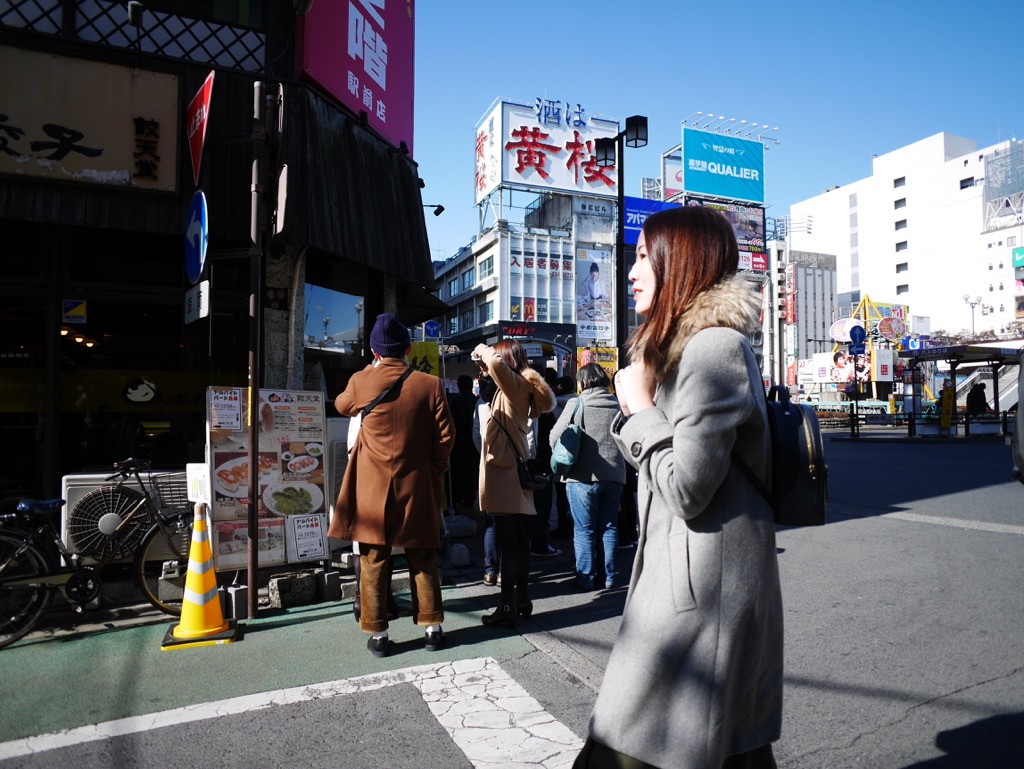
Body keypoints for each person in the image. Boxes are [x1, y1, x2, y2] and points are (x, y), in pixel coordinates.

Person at [575, 206, 783, 768]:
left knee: (638, 745)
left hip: (698, 600)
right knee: (720, 744)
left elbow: (687, 487)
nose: (632, 272)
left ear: (681, 264)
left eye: (644, 256)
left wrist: (639, 406)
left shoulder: (714, 350)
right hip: (692, 589)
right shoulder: (680, 354)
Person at [327, 314, 455, 659]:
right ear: (409, 348)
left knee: (373, 559)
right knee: (422, 555)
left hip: (371, 486)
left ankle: (379, 634)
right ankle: (432, 628)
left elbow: (341, 406)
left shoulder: (361, 380)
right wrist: (434, 469)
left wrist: (369, 372)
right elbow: (446, 436)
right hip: (417, 482)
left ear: (373, 350)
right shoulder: (429, 384)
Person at [474, 339, 556, 626]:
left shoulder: (515, 386)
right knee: (519, 543)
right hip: (515, 474)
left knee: (510, 545)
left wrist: (483, 349)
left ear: (506, 358)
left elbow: (495, 364)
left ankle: (507, 605)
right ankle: (522, 599)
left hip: (505, 473)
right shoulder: (522, 388)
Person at [549, 363, 625, 590]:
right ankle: (609, 578)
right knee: (609, 528)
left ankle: (586, 579)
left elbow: (554, 436)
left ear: (583, 382)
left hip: (582, 478)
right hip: (614, 477)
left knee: (584, 530)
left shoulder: (577, 403)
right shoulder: (618, 405)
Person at [473, 372, 501, 587]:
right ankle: (505, 572)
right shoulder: (511, 400)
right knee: (512, 523)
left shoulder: (480, 406)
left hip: (486, 465)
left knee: (490, 523)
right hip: (511, 466)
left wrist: (482, 453)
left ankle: (490, 571)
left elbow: (475, 433)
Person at [448, 374, 480, 509]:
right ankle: (470, 498)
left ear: (459, 386)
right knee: (472, 471)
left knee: (456, 472)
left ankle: (456, 498)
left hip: (458, 442)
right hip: (473, 442)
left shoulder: (455, 401)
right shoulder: (477, 401)